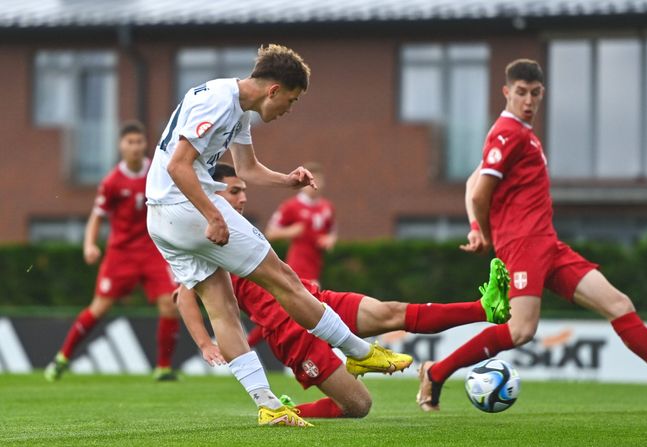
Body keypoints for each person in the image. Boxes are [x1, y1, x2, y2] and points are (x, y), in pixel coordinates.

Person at [144, 44, 411, 427]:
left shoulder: (236, 108)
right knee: (284, 278)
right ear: (273, 90)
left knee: (222, 307)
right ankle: (357, 350)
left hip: (160, 217)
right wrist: (212, 216)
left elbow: (247, 169)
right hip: (184, 207)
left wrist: (287, 180)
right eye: (292, 99)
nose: (289, 109)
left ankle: (267, 405)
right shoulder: (219, 102)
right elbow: (178, 166)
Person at [416, 58, 647, 411]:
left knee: (619, 304)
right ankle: (437, 372)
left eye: (535, 93)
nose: (528, 100)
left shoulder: (522, 134)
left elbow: (474, 180)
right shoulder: (508, 132)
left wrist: (476, 228)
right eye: (520, 93)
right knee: (521, 330)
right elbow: (478, 192)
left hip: (547, 244)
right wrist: (488, 235)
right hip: (522, 245)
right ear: (506, 92)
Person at [176, 163, 511, 418]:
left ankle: (484, 308)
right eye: (234, 191)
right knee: (359, 405)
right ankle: (289, 411)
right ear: (213, 193)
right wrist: (206, 343)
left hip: (314, 301)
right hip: (289, 331)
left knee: (390, 311)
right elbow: (184, 294)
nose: (244, 197)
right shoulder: (206, 237)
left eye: (243, 190)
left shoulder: (245, 226)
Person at [45, 121, 180, 382]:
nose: (135, 147)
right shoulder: (112, 182)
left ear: (145, 144)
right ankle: (62, 358)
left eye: (139, 142)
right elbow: (97, 217)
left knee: (169, 304)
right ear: (121, 146)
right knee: (100, 308)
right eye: (130, 142)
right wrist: (89, 244)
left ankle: (163, 368)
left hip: (153, 249)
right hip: (121, 253)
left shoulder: (157, 171)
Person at [265, 161, 336, 286]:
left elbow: (332, 232)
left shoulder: (327, 207)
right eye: (311, 181)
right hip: (298, 265)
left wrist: (329, 239)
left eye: (318, 180)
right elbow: (270, 233)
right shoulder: (291, 206)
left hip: (317, 265)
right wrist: (290, 231)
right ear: (303, 183)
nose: (314, 185)